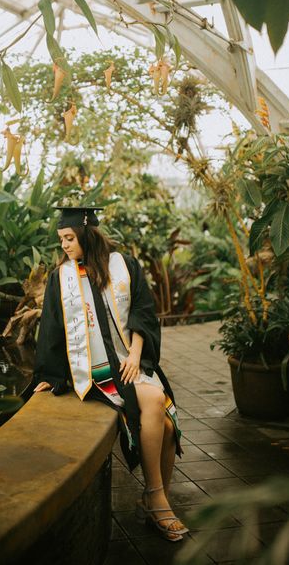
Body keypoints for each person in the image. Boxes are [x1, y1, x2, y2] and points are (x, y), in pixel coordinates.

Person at [33, 206, 188, 542]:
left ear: (87, 235)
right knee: (157, 400)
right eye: (61, 239)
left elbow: (144, 312)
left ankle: (154, 498)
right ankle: (157, 499)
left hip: (127, 358)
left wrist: (135, 355)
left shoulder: (124, 265)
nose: (64, 245)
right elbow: (52, 328)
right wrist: (48, 375)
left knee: (166, 424)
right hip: (96, 368)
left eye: (70, 238)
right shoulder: (62, 278)